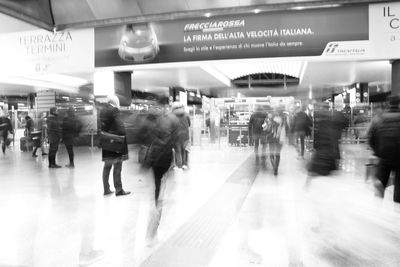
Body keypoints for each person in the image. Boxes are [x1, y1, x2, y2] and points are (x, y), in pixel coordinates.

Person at [367, 95, 400, 203]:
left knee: (379, 187)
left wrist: (377, 152)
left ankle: (377, 210)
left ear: (387, 104)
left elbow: (370, 137)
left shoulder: (378, 119)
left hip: (383, 158)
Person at [100, 95, 130, 196]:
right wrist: (123, 135)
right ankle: (119, 189)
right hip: (115, 142)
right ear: (115, 101)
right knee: (117, 166)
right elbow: (120, 126)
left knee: (107, 166)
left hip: (106, 141)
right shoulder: (114, 110)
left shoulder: (102, 110)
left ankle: (106, 189)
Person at [171, 102, 190, 170]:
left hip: (176, 135)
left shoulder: (172, 115)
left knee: (177, 151)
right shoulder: (186, 114)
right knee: (185, 150)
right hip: (185, 135)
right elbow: (189, 124)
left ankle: (179, 166)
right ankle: (184, 164)